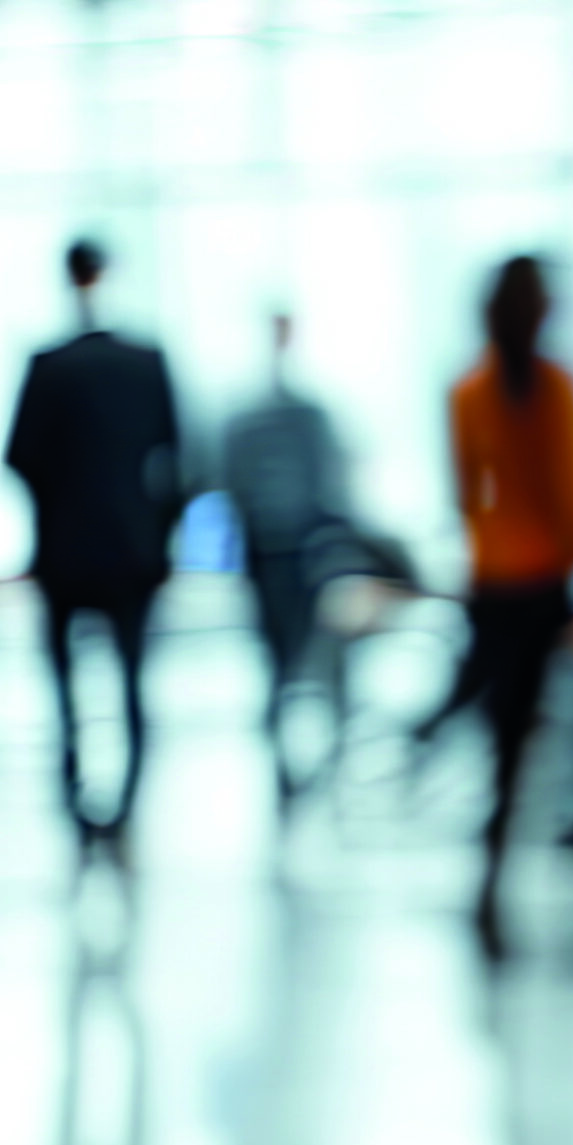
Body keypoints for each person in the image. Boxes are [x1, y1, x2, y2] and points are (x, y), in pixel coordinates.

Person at [443, 255, 573, 959]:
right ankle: (571, 825)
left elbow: (466, 497)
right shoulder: (555, 389)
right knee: (559, 723)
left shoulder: (470, 391)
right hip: (544, 583)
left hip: (493, 583)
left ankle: (495, 866)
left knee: (506, 737)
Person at [6, 240, 185, 857]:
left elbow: (19, 458)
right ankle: (128, 796)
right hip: (131, 550)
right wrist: (159, 535)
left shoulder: (48, 365)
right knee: (133, 679)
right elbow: (177, 460)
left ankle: (76, 788)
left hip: (64, 551)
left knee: (69, 682)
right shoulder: (145, 361)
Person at [220, 313, 348, 808]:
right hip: (290, 547)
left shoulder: (263, 415)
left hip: (277, 546)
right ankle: (297, 755)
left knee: (286, 657)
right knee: (294, 655)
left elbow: (231, 481)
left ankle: (298, 755)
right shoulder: (288, 414)